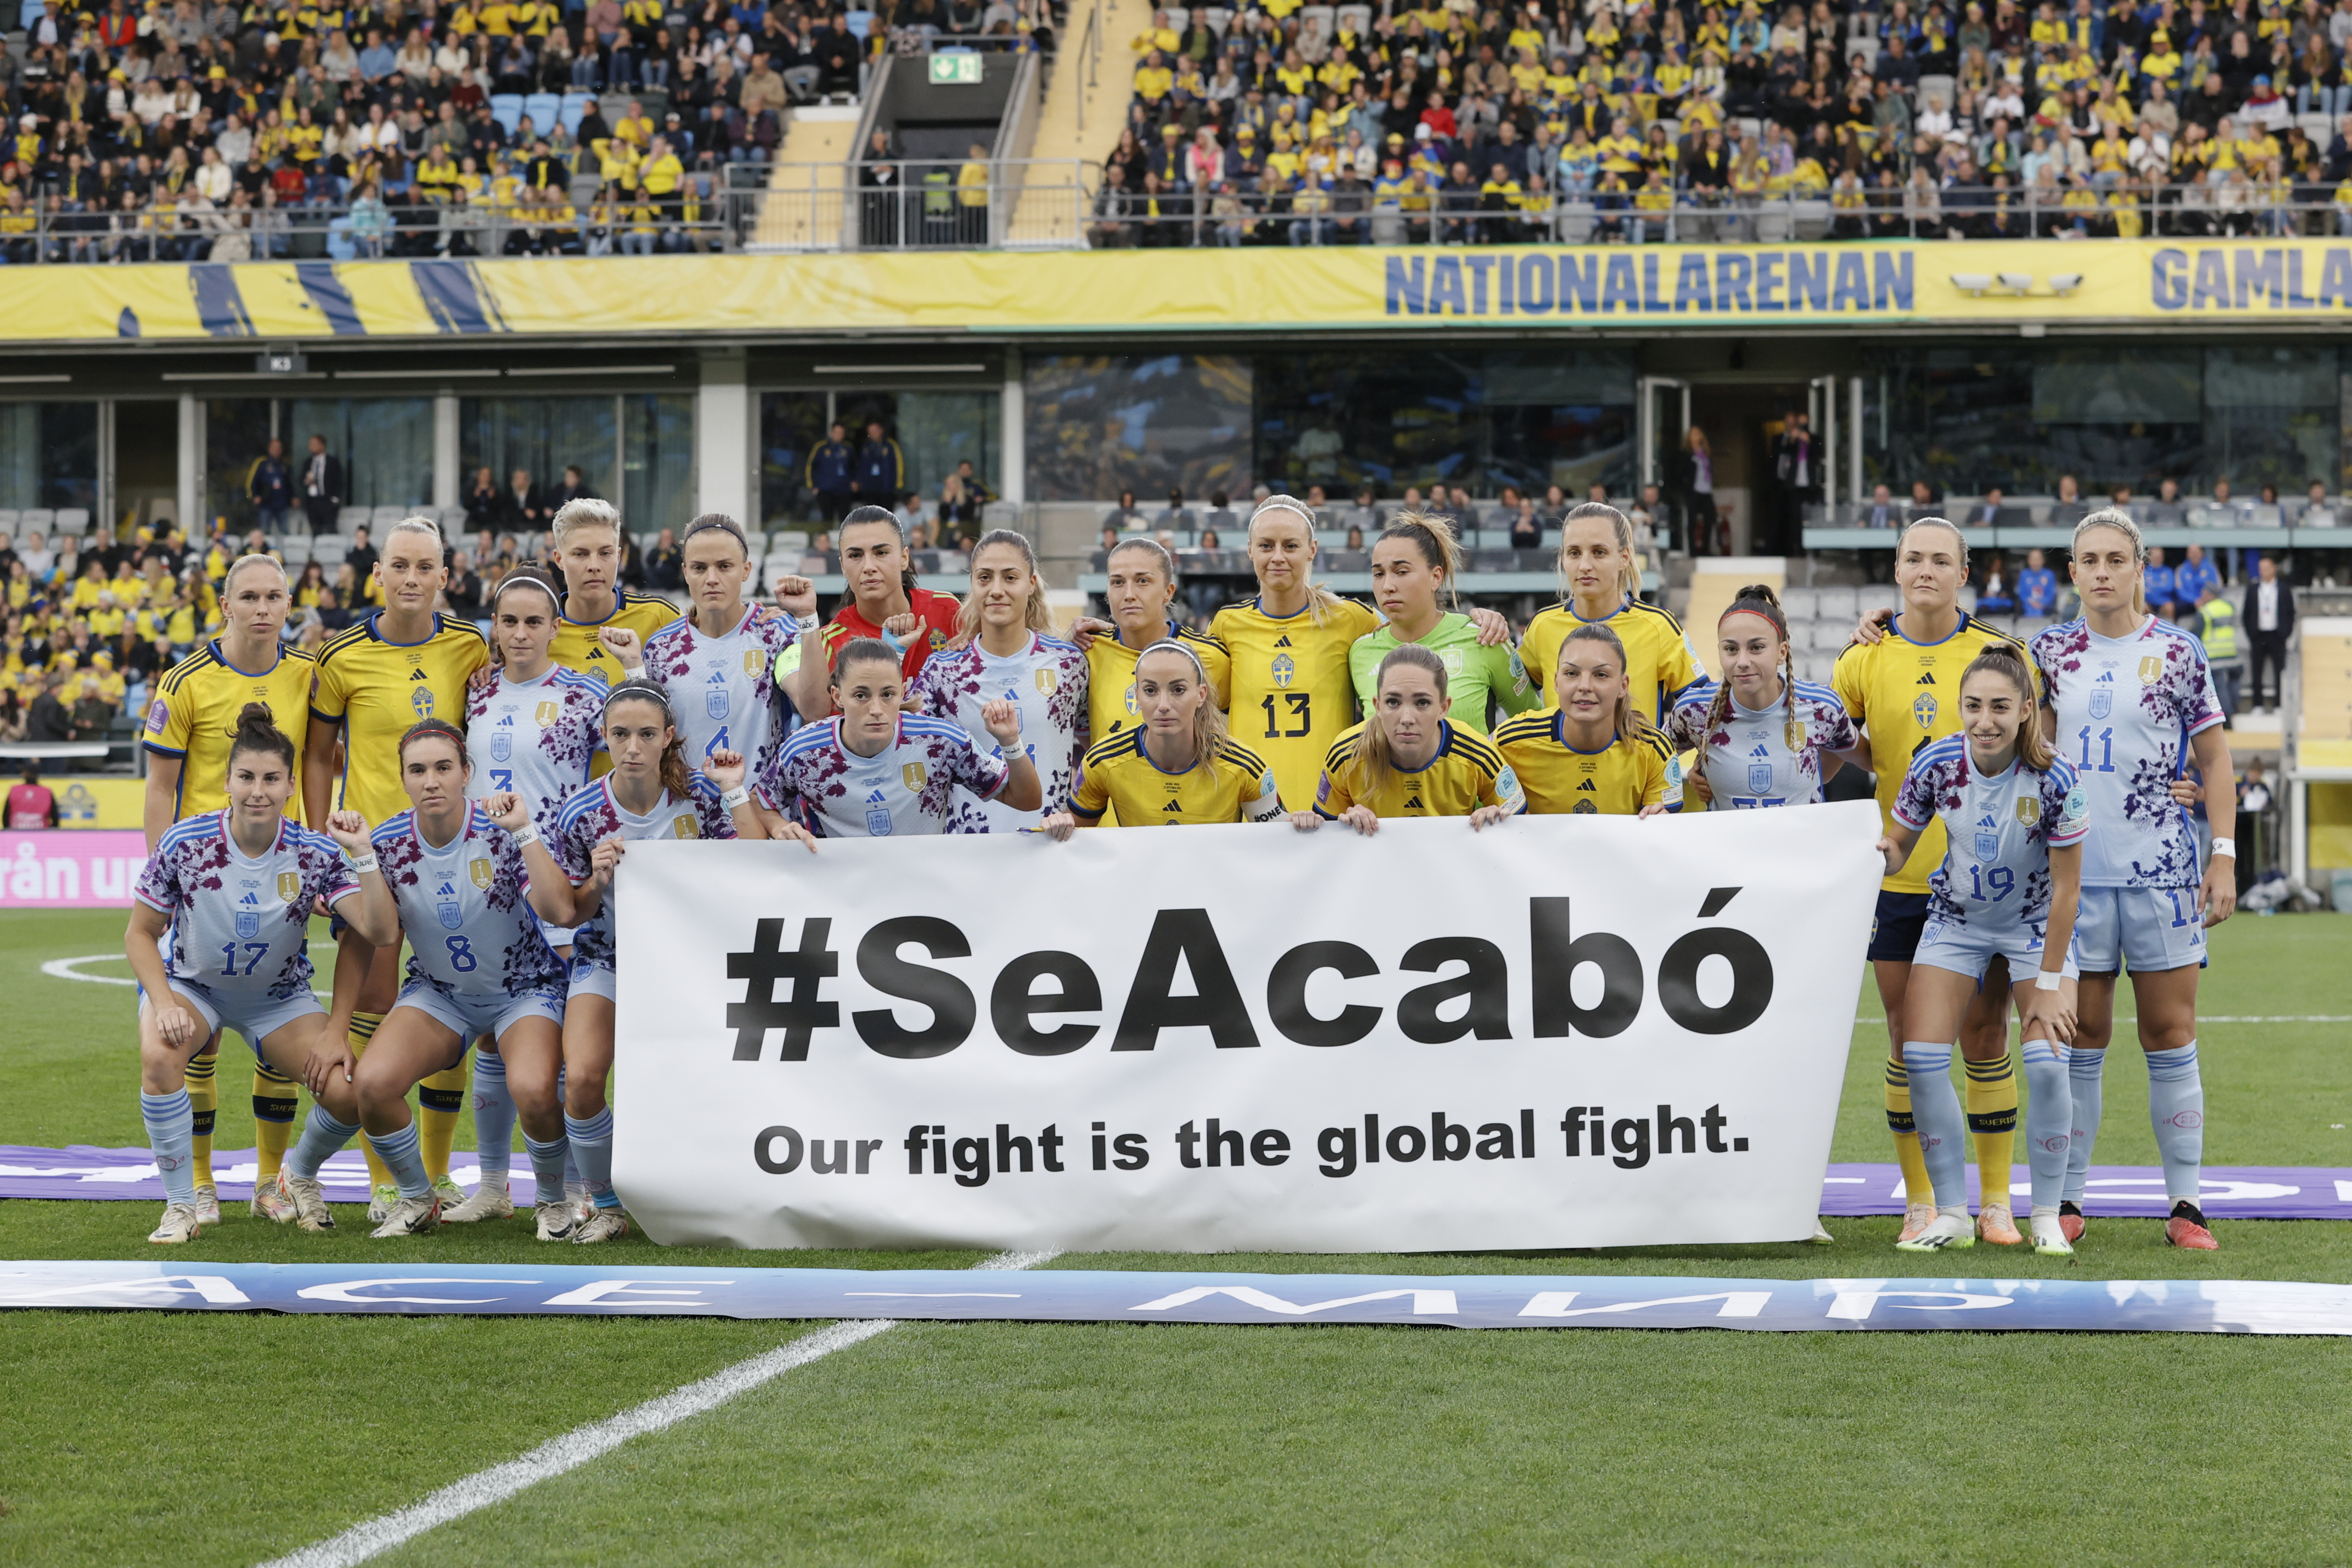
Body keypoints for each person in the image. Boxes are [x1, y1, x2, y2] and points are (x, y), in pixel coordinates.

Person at [274, 719, 573, 1238]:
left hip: (523, 990)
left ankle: (551, 1202)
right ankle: (418, 1198)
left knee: (533, 1087)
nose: (431, 780)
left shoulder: (499, 829)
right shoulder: (386, 842)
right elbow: (374, 935)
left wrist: (525, 833)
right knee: (372, 1083)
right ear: (404, 779)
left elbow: (557, 908)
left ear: (466, 774)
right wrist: (337, 1028)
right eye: (418, 770)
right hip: (440, 994)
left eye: (442, 768)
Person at [2030, 509, 2236, 1251]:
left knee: (2168, 1033)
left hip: (2162, 872)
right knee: (2080, 1036)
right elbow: (2031, 748)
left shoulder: (2179, 652)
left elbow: (2213, 762)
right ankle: (2069, 1200)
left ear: (2140, 566)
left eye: (2116, 558)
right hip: (2073, 878)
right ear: (2072, 569)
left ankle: (2186, 1203)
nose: (2101, 571)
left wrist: (2223, 853)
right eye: (2088, 559)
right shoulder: (2049, 650)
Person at [125, 705, 396, 1242]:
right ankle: (181, 1206)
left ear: (291, 785)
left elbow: (378, 932)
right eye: (246, 777)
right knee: (159, 1056)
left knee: (350, 1092)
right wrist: (164, 1001)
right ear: (226, 780)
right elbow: (140, 933)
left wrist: (363, 856)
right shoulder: (185, 843)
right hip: (195, 990)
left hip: (279, 1001)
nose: (257, 790)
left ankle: (294, 1175)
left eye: (271, 778)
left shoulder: (315, 851)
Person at [1841, 517, 2040, 1244]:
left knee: (1986, 1035)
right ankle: (1921, 1200)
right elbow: (1847, 748)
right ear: (1896, 567)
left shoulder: (2000, 654)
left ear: (1965, 571)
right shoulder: (1863, 655)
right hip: (1899, 882)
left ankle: (1994, 1202)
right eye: (1913, 557)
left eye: (1940, 560)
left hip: (1988, 889)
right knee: (1905, 1041)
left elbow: (2038, 754)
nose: (1925, 569)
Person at [526, 680, 768, 1240]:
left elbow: (760, 866)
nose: (632, 746)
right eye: (620, 734)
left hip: (692, 963)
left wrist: (735, 791)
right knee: (583, 1077)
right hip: (607, 957)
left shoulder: (703, 797)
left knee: (712, 1077)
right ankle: (607, 1203)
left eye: (645, 734)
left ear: (669, 738)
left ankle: (718, 1189)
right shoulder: (580, 812)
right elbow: (571, 912)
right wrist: (596, 878)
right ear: (604, 737)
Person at [304, 517, 491, 1220]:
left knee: (449, 1005)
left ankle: (438, 1174)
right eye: (399, 566)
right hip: (370, 861)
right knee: (374, 1009)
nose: (411, 578)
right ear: (377, 573)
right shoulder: (342, 655)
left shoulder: (471, 645)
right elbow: (319, 754)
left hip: (448, 854)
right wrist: (329, 846)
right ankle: (385, 1178)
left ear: (445, 575)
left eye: (425, 566)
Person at [1876, 646, 2087, 1256]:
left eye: (1999, 706)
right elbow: (1898, 843)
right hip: (1957, 921)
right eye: (1973, 706)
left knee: (2048, 1059)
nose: (1984, 720)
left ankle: (2044, 1214)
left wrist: (2048, 983)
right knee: (1919, 1056)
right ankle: (1951, 1214)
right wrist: (1866, 855)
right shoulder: (1936, 763)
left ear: (2026, 709)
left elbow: (2068, 892)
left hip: (2032, 925)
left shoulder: (2056, 775)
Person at [141, 552, 316, 1214]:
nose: (263, 607)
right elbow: (160, 786)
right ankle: (204, 1183)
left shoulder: (307, 673)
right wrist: (167, 878)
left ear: (288, 604)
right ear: (226, 604)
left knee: (278, 1028)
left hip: (282, 882)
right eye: (250, 596)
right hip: (203, 883)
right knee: (199, 1037)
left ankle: (270, 1181)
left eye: (275, 595)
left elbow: (320, 762)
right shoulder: (186, 679)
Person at [453, 567, 605, 1220]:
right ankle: (493, 1186)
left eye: (533, 621)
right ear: (494, 627)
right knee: (491, 1033)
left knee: (563, 1042)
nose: (520, 632)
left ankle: (572, 1183)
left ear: (555, 627)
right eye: (508, 620)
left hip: (556, 878)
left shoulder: (585, 694)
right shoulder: (475, 696)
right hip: (488, 883)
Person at [761, 636, 1037, 837]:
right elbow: (761, 803)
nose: (877, 710)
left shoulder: (943, 742)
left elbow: (1027, 800)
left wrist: (1010, 742)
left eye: (888, 695)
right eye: (861, 696)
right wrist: (779, 828)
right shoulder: (802, 750)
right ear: (837, 696)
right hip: (840, 898)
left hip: (924, 891)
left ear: (903, 691)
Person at [908, 531, 1088, 832]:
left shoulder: (1069, 664)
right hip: (968, 851)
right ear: (973, 585)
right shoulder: (941, 672)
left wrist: (1079, 813)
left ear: (1031, 584)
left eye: (1010, 578)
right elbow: (904, 755)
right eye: (985, 578)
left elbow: (1100, 753)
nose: (996, 590)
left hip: (1049, 845)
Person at [1044, 640, 1283, 833]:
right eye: (1150, 691)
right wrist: (1058, 826)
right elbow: (1073, 837)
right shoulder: (1103, 760)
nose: (1163, 705)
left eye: (1178, 690)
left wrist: (1305, 824)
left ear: (1201, 695)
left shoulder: (1244, 765)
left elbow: (1281, 843)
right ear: (1136, 695)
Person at [635, 515, 799, 785]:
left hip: (762, 811)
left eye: (724, 567)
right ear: (686, 571)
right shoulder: (660, 648)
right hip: (687, 813)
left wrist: (807, 621)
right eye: (700, 568)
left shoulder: (774, 632)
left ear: (746, 570)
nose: (712, 579)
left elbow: (813, 709)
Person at [1296, 643, 1525, 833]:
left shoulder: (1477, 752)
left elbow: (1525, 829)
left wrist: (1499, 820)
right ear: (1377, 706)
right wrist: (1343, 824)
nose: (1407, 718)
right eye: (1393, 702)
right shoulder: (1346, 753)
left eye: (1422, 703)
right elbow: (1323, 840)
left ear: (1444, 708)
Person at [1667, 584, 1859, 809]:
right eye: (1731, 649)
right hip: (1727, 845)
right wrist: (1696, 772)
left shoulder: (1822, 707)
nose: (1742, 661)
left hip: (1802, 844)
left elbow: (1872, 760)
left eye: (1756, 647)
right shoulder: (1694, 711)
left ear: (1782, 652)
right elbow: (1647, 764)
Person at [1349, 513, 1539, 734]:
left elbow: (1533, 727)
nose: (1388, 586)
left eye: (1401, 572)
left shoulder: (1485, 638)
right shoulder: (1360, 652)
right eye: (1379, 574)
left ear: (1436, 577)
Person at [1517, 502, 1703, 726]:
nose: (1585, 565)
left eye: (1599, 552)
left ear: (1624, 557)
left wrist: (1663, 751)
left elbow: (1703, 711)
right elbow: (1513, 696)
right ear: (1563, 558)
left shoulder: (1658, 626)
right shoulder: (1543, 626)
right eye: (1574, 553)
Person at [777, 506, 960, 720]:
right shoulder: (829, 640)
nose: (869, 566)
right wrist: (807, 617)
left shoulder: (948, 610)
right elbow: (814, 715)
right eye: (855, 555)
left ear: (904, 558)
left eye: (881, 553)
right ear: (843, 566)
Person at [1494, 623, 1683, 817]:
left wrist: (1664, 824)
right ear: (1557, 682)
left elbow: (1660, 838)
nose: (1584, 686)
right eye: (1572, 674)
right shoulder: (1510, 741)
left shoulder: (1655, 750)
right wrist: (1487, 810)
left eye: (1601, 675)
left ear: (1623, 686)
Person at [542, 498, 678, 688]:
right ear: (559, 560)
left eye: (605, 554)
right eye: (580, 554)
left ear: (619, 557)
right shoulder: (541, 631)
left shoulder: (660, 617)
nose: (594, 566)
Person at [2245, 554, 2295, 713]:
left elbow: (2290, 613)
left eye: (2267, 568)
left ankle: (2279, 704)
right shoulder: (2253, 589)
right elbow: (2246, 613)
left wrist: (2285, 633)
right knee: (2256, 671)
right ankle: (2258, 705)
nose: (2263, 572)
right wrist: (2251, 632)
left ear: (2274, 569)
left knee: (2280, 671)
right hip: (2259, 634)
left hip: (2277, 635)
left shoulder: (2284, 589)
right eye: (2261, 569)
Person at [2194, 584, 2242, 719]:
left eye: (2204, 594)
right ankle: (2235, 706)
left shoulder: (2205, 611)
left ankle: (2227, 714)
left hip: (2215, 656)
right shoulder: (2229, 607)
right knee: (2234, 680)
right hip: (2232, 653)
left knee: (2220, 687)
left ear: (2210, 595)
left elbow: (2195, 634)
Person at [806, 421, 855, 519]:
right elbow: (811, 467)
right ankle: (825, 535)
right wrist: (813, 486)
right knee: (826, 518)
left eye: (841, 433)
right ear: (832, 433)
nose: (839, 435)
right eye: (837, 433)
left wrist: (855, 481)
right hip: (825, 490)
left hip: (843, 489)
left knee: (845, 518)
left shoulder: (848, 449)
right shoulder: (821, 448)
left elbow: (854, 467)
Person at [299, 434, 342, 536]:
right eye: (310, 444)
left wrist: (335, 499)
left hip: (327, 501)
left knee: (331, 529)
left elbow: (339, 481)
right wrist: (307, 481)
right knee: (315, 530)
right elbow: (301, 480)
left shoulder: (332, 462)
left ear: (322, 445)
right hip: (313, 502)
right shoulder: (308, 462)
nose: (311, 447)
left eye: (314, 444)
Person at [249, 437, 293, 535]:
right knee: (264, 532)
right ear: (269, 449)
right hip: (266, 505)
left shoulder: (285, 466)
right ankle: (264, 550)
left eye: (279, 448)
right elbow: (253, 482)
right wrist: (255, 495)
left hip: (282, 505)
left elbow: (289, 485)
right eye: (274, 448)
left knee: (285, 532)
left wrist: (293, 498)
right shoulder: (262, 464)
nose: (276, 450)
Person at [7, 758, 59, 828]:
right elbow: (56, 819)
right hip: (42, 833)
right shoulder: (47, 792)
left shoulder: (14, 790)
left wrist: (8, 833)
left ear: (24, 773)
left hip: (17, 834)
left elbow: (6, 817)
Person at [2017, 547, 2059, 617]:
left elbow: (2051, 593)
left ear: (2043, 560)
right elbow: (2022, 593)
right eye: (2033, 559)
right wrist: (2030, 602)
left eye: (2038, 559)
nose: (2035, 562)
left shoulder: (2049, 575)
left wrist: (2042, 603)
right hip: (2028, 606)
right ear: (2029, 561)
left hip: (2045, 607)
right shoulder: (2024, 574)